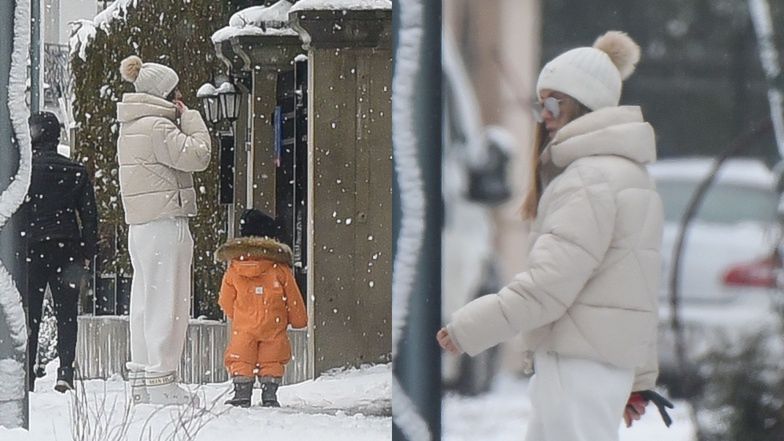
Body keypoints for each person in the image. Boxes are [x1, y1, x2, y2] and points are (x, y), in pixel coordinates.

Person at [437, 31, 671, 440]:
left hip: (577, 365)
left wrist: (470, 327)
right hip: (600, 365)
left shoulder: (588, 180)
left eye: (552, 103)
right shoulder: (630, 175)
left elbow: (549, 284)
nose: (542, 114)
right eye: (538, 103)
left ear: (584, 105)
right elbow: (639, 290)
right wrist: (637, 376)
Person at [117, 55, 211, 405]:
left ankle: (142, 376)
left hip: (141, 224)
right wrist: (192, 118)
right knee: (169, 301)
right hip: (164, 221)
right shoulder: (159, 127)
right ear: (165, 95)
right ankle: (162, 380)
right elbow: (199, 155)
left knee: (144, 299)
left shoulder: (132, 125)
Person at [25, 111, 97, 393]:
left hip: (31, 247)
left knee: (29, 312)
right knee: (67, 312)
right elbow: (89, 216)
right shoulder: (75, 170)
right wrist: (88, 251)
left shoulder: (24, 171)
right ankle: (65, 369)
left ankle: (27, 372)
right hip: (68, 247)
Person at [216, 209, 307, 407]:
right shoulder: (280, 269)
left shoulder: (234, 269)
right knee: (272, 358)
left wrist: (239, 315)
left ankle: (242, 393)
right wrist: (299, 320)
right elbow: (293, 298)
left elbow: (225, 300)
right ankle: (269, 394)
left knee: (241, 356)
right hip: (273, 324)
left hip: (244, 325)